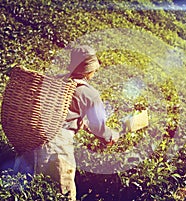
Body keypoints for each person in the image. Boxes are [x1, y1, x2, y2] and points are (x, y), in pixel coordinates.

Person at [14, 45, 120, 200]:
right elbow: (99, 127)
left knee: (24, 190)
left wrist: (81, 123)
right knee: (62, 192)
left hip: (33, 137)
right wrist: (111, 135)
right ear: (89, 70)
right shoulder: (89, 94)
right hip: (57, 145)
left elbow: (62, 112)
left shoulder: (55, 80)